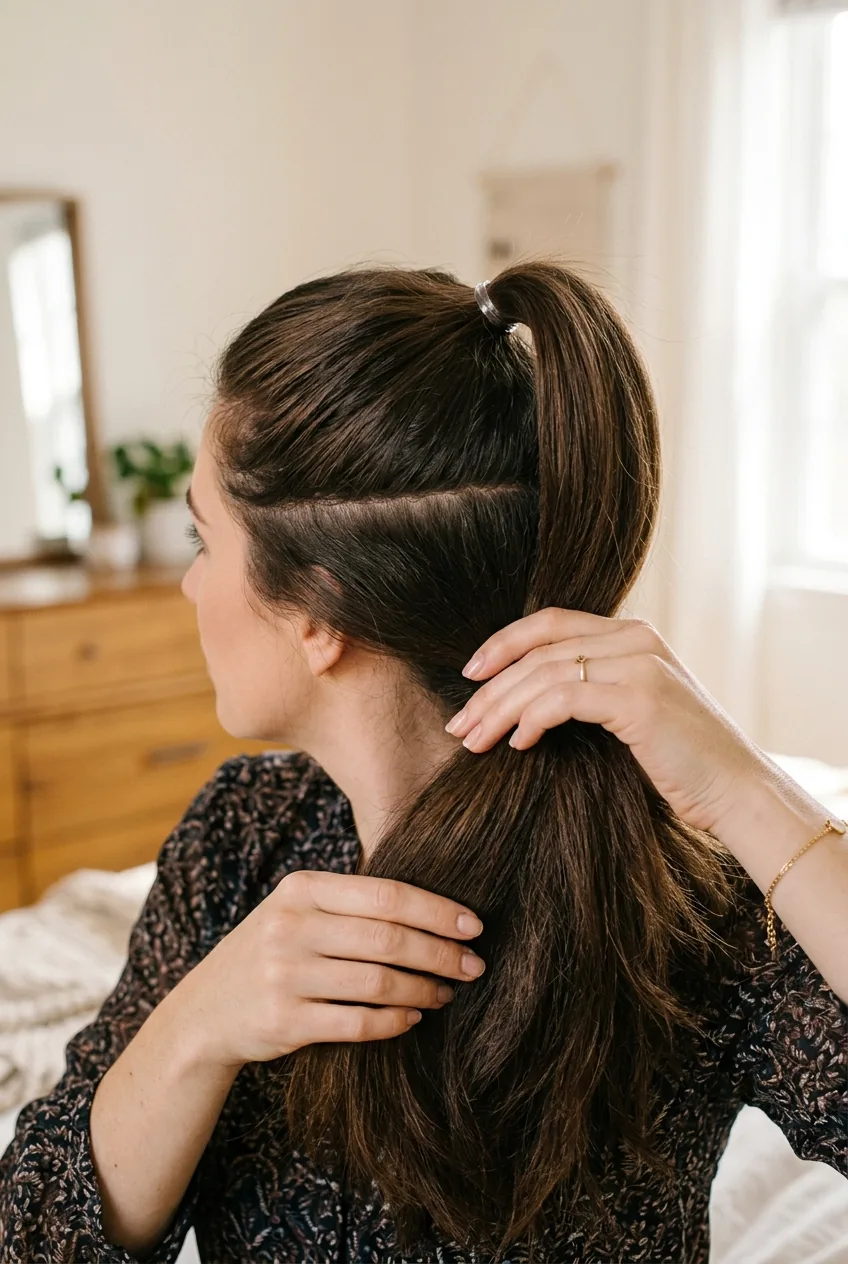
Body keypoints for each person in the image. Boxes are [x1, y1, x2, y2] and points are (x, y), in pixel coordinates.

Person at [0, 261, 845, 1264]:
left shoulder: (670, 889)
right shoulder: (240, 838)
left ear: (315, 612)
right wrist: (197, 1026)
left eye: (202, 536)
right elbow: (37, 1234)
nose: (189, 583)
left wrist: (747, 791)